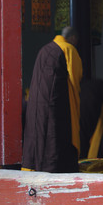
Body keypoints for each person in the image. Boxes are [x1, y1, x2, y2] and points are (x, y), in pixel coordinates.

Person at [22, 40, 79, 173]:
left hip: (40, 109)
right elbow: (75, 80)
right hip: (54, 110)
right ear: (73, 38)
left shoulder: (47, 52)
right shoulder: (66, 50)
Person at [53, 26, 83, 156]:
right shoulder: (69, 49)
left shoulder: (47, 49)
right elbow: (74, 78)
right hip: (66, 98)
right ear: (73, 38)